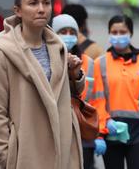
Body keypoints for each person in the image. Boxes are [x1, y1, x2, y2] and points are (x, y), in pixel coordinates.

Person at [0, 0, 84, 169]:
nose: (41, 9)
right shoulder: (1, 51)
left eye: (46, 3)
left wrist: (75, 75)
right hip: (26, 156)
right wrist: (9, 156)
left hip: (62, 153)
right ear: (17, 10)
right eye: (33, 3)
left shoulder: (58, 47)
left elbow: (62, 95)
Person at [89, 14, 139, 169]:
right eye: (114, 32)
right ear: (109, 34)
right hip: (111, 129)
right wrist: (102, 129)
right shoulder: (100, 64)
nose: (118, 36)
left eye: (122, 32)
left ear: (130, 33)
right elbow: (97, 100)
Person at [52, 14, 97, 169]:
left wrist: (101, 130)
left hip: (82, 123)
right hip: (56, 125)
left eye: (72, 32)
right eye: (63, 31)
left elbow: (97, 96)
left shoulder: (88, 62)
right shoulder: (48, 59)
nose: (68, 36)